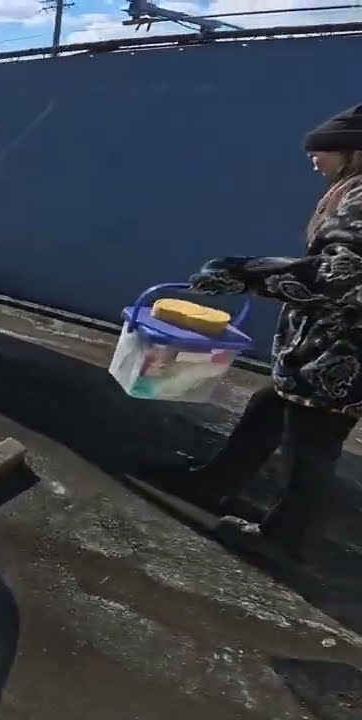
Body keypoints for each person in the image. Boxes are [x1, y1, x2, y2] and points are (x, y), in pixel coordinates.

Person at [163, 103, 362, 561]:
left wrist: (247, 274)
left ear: (353, 151)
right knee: (269, 406)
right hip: (321, 349)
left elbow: (340, 276)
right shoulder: (349, 192)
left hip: (341, 356)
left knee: (310, 447)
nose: (313, 158)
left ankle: (286, 540)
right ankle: (214, 485)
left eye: (322, 149)